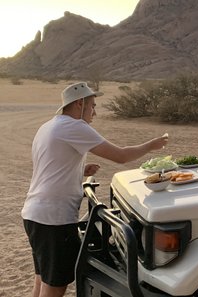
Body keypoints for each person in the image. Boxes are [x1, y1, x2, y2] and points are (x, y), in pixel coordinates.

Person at [21, 82, 169, 297]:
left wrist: (80, 169)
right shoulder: (74, 126)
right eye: (92, 105)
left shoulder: (49, 126)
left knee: (43, 278)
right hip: (54, 219)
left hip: (35, 215)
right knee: (55, 286)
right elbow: (121, 156)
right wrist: (150, 145)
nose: (95, 112)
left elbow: (49, 166)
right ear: (79, 103)